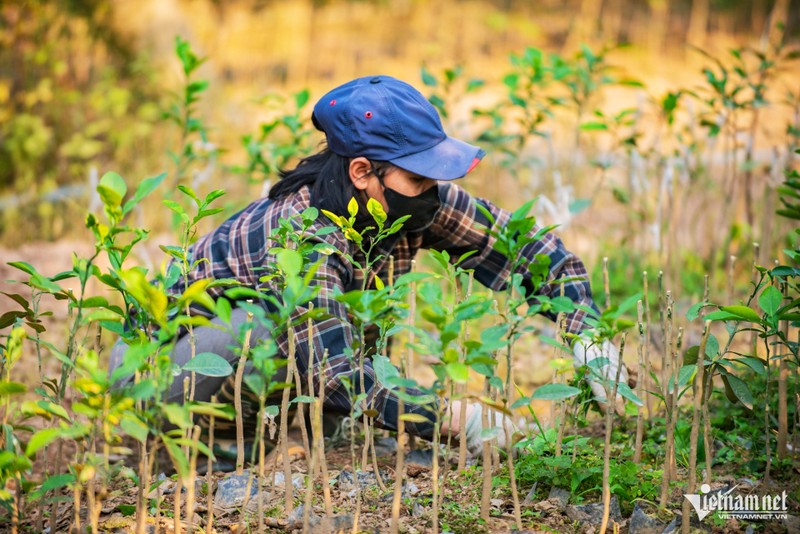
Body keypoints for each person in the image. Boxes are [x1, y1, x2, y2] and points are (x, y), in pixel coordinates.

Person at [109, 75, 627, 457]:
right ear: (362, 171)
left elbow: (529, 249)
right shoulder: (301, 233)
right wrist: (456, 416)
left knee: (324, 369)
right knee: (260, 327)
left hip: (277, 373)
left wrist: (588, 336)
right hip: (159, 370)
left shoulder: (407, 202)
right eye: (418, 179)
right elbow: (335, 373)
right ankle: (196, 449)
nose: (432, 195)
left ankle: (294, 434)